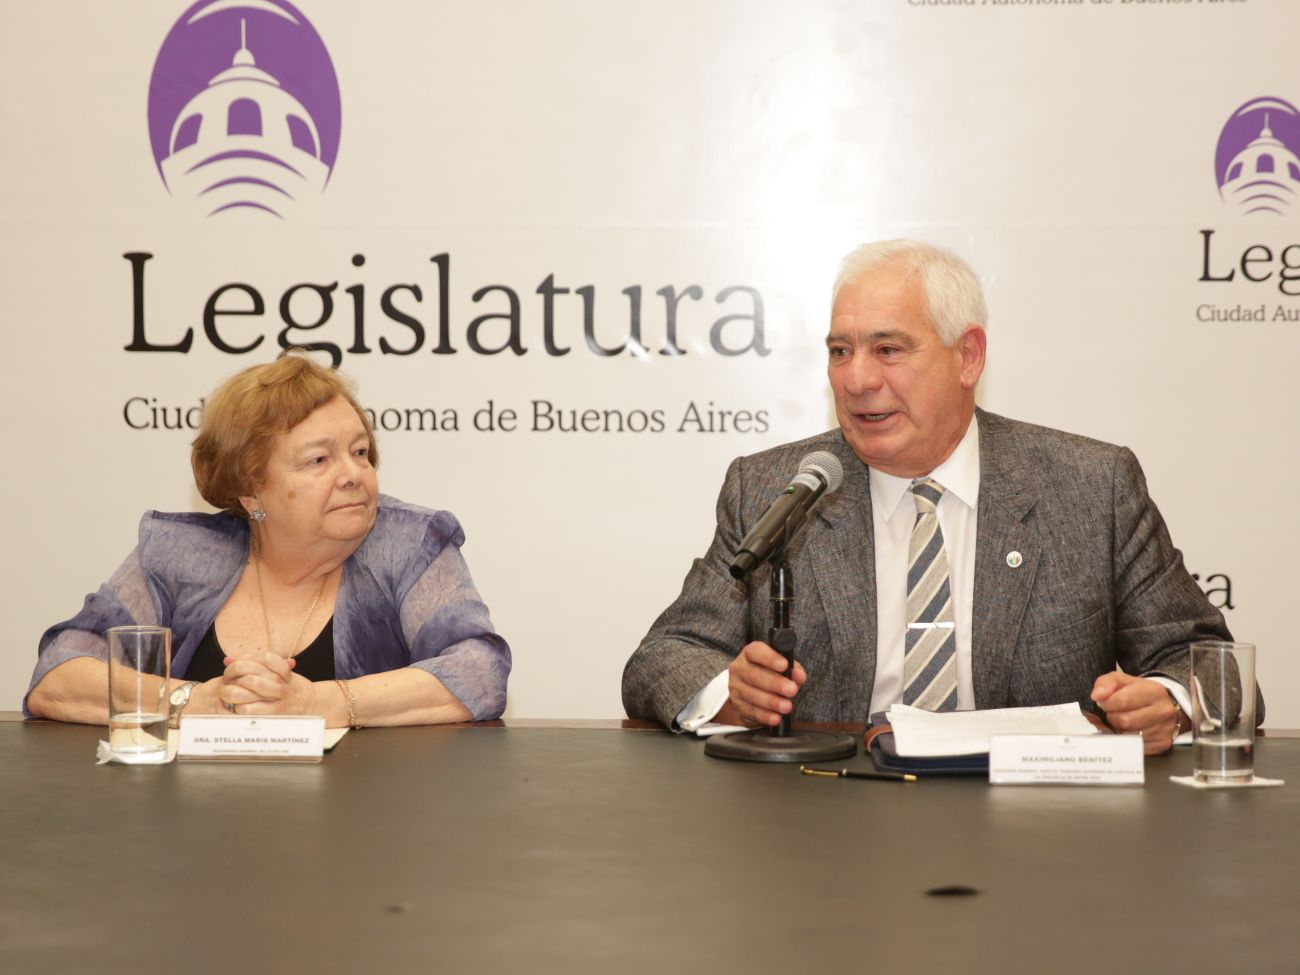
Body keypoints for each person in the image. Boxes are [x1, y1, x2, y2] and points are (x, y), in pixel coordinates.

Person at [622, 239, 1258, 753]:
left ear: (968, 357)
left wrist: (1170, 703)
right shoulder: (775, 489)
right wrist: (728, 696)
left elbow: (1217, 669)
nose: (857, 379)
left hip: (1037, 828)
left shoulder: (1091, 486)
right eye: (840, 351)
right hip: (827, 818)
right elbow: (662, 659)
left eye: (888, 349)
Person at [27, 353, 510, 727]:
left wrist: (322, 703)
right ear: (251, 487)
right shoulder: (179, 554)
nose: (353, 474)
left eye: (361, 452)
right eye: (319, 460)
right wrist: (195, 701)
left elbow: (480, 671)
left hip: (367, 811)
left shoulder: (410, 544)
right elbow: (58, 673)